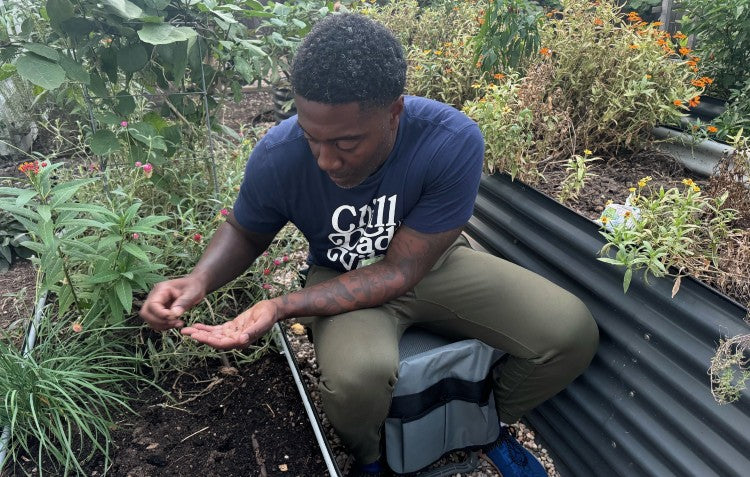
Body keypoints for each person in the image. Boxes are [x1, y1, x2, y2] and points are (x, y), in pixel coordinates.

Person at [139, 13, 599, 477]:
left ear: (394, 111)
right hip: (337, 276)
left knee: (568, 333)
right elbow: (245, 229)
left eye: (346, 142)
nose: (324, 160)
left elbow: (401, 271)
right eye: (310, 137)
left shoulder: (449, 141)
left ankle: (486, 425)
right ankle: (371, 459)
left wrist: (281, 306)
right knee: (358, 381)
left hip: (432, 266)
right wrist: (197, 280)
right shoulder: (278, 156)